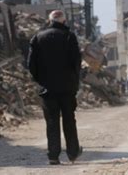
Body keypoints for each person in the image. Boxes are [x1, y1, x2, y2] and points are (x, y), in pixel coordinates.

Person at [28, 10, 82, 165]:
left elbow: (31, 65)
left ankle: (53, 155)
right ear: (64, 22)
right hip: (67, 88)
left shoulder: (37, 37)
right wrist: (74, 81)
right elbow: (76, 62)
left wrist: (41, 80)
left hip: (47, 89)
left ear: (49, 20)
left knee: (51, 122)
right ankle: (72, 153)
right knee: (69, 120)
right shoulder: (69, 37)